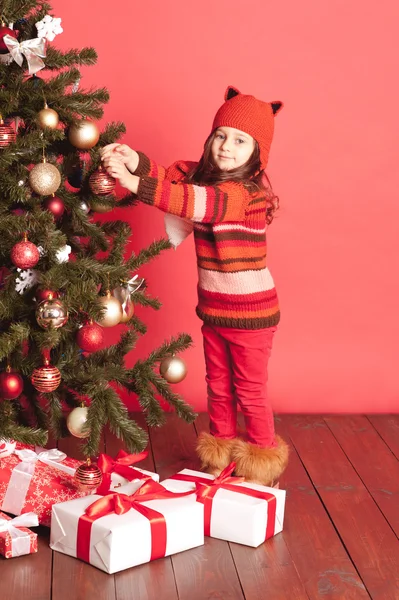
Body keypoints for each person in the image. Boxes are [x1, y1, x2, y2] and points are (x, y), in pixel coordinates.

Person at [101, 86, 289, 487]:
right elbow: (174, 177)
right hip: (215, 311)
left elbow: (191, 202)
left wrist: (134, 185)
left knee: (250, 390)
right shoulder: (205, 178)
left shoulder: (243, 194)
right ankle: (220, 454)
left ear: (257, 153)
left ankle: (260, 464)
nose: (226, 146)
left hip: (252, 316)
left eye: (240, 141)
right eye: (220, 135)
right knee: (218, 386)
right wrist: (134, 160)